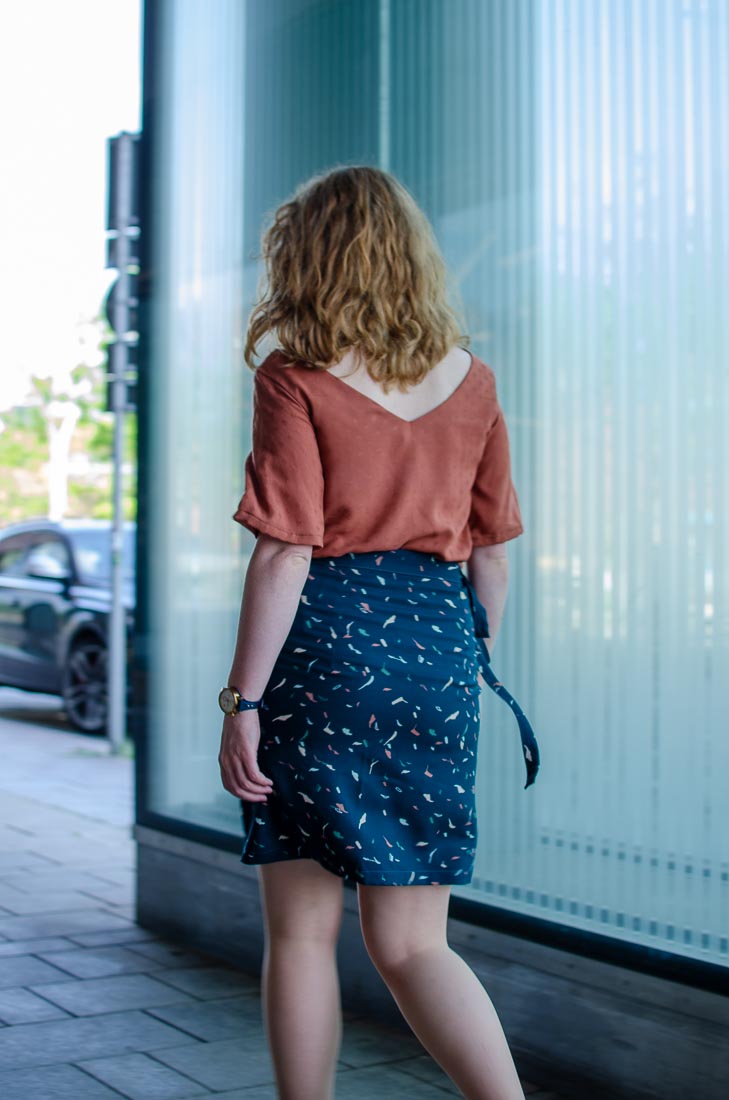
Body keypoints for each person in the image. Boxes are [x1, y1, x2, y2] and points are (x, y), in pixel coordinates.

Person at [217, 165, 540, 1100]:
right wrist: (455, 659)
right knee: (412, 944)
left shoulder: (294, 377)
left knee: (300, 931)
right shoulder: (472, 381)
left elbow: (286, 552)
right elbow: (492, 555)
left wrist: (242, 702)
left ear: (308, 259)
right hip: (438, 650)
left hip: (322, 653)